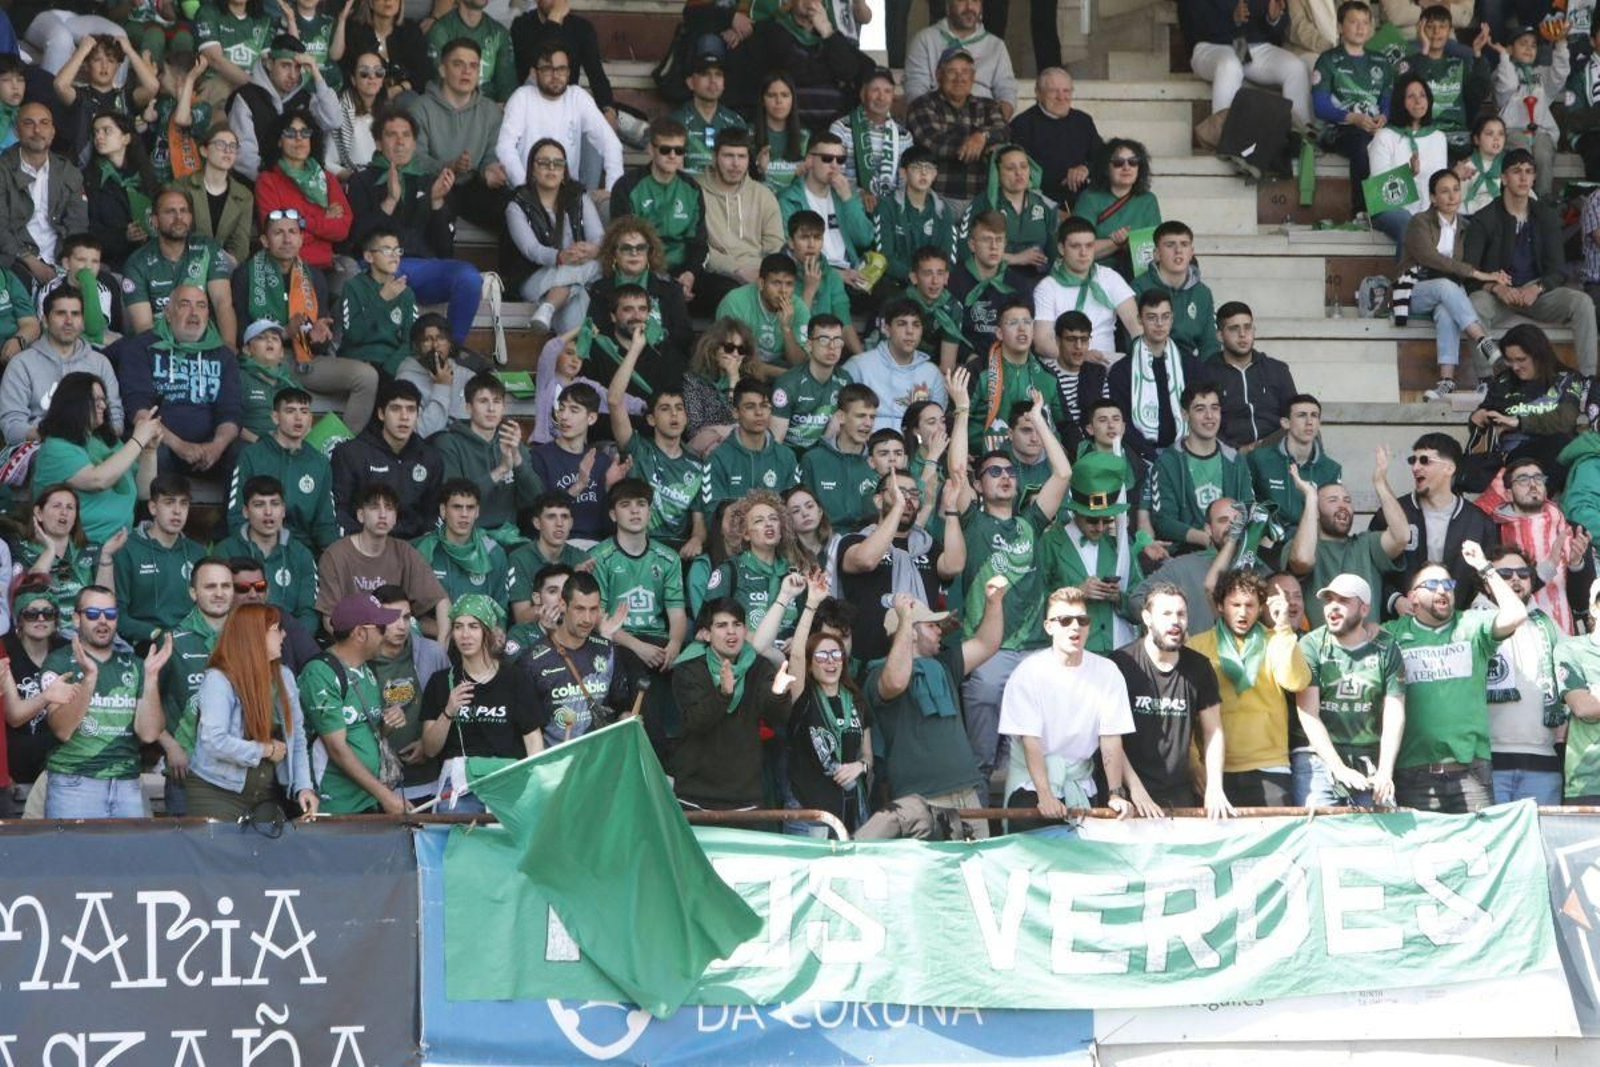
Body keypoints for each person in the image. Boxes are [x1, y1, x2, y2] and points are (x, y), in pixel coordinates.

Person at [948, 377, 1071, 778]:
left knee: (1036, 758)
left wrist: (1038, 419)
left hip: (1035, 648)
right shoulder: (972, 521)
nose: (1004, 476)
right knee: (981, 759)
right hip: (987, 651)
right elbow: (954, 470)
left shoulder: (1030, 523)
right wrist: (964, 409)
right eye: (993, 471)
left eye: (1010, 472)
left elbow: (1063, 473)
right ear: (980, 485)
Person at [1384, 542, 1526, 812]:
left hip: (1471, 772)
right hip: (1412, 775)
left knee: (1479, 853)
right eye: (1432, 585)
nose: (1443, 590)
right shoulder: (1391, 634)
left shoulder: (1472, 625)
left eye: (1448, 585)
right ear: (1412, 597)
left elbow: (1517, 614)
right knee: (1421, 855)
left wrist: (1485, 567)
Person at [1000, 586, 1141, 826]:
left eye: (1082, 620)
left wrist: (1116, 793)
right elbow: (1030, 741)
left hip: (1081, 786)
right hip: (1031, 786)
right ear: (1049, 627)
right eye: (1065, 620)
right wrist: (1045, 795)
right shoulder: (1028, 672)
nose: (1075, 627)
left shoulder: (1107, 671)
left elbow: (1110, 739)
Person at [344, 109, 482, 345]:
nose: (400, 142)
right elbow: (355, 241)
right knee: (385, 275)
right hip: (379, 266)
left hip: (423, 268)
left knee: (469, 277)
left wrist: (437, 203)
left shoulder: (429, 180)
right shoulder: (362, 180)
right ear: (378, 142)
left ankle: (454, 348)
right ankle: (387, 350)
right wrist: (389, 201)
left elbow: (444, 251)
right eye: (391, 135)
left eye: (406, 135)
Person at [1466, 148, 1598, 376]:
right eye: (1516, 172)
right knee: (1474, 305)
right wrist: (1496, 287)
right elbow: (1469, 271)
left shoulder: (1546, 215)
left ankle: (1588, 380)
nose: (1524, 177)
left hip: (1536, 293)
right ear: (1504, 178)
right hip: (1498, 295)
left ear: (1535, 177)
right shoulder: (1484, 218)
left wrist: (1538, 287)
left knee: (1582, 302)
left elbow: (1558, 270)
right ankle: (1487, 381)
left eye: (1529, 171)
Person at [40, 586, 170, 817]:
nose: (103, 621)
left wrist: (150, 678)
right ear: (77, 618)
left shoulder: (136, 664)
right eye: (93, 614)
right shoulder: (59, 662)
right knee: (73, 855)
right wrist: (89, 679)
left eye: (110, 614)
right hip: (73, 783)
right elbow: (62, 730)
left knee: (128, 854)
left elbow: (149, 734)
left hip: (127, 783)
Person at [1186, 570, 1309, 805]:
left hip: (1271, 764)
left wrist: (1284, 627)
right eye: (1236, 605)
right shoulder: (1197, 646)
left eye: (1251, 605)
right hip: (1215, 770)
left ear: (1261, 607)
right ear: (1220, 605)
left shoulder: (1276, 639)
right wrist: (1194, 764)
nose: (1243, 613)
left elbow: (1297, 681)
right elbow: (1187, 713)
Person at [1110, 583, 1230, 814]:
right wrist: (1134, 789)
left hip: (1177, 792)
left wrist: (1215, 787)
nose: (1175, 621)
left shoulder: (1199, 667)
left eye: (1181, 614)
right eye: (1166, 614)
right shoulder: (1120, 664)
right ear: (1147, 618)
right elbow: (1109, 736)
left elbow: (1213, 731)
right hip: (1127, 794)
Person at [419, 595, 540, 810]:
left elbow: (533, 740)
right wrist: (448, 711)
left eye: (474, 626)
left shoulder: (515, 678)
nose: (465, 635)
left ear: (487, 631)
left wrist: (532, 788)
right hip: (459, 786)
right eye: (458, 627)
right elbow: (429, 749)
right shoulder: (440, 681)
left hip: (508, 782)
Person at [1295, 573, 1406, 807]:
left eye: (1343, 601)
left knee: (1383, 831)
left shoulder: (1386, 646)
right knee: (1321, 832)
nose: (1332, 608)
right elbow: (1308, 713)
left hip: (1369, 757)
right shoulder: (1311, 645)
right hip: (1318, 757)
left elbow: (1394, 712)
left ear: (1364, 609)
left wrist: (1385, 771)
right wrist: (1338, 768)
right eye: (1329, 600)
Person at [669, 597, 789, 810]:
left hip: (745, 796)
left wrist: (778, 692)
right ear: (705, 634)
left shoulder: (758, 666)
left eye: (737, 624)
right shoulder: (688, 668)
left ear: (745, 631)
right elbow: (696, 721)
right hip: (695, 795)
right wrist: (723, 693)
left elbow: (776, 716)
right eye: (722, 625)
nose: (731, 632)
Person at [1401, 169, 1507, 399]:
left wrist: (1495, 277)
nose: (1452, 197)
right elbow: (1430, 258)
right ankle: (1484, 341)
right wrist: (1477, 274)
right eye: (1444, 192)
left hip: (1447, 295)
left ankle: (1446, 381)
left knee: (1446, 310)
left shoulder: (1466, 227)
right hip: (1415, 291)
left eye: (1456, 190)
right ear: (1432, 198)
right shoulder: (1419, 222)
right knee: (1444, 286)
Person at [118, 283, 242, 478]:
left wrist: (216, 447)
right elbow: (138, 410)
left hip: (210, 450)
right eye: (184, 304)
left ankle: (236, 510)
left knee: (243, 454)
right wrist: (180, 446)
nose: (194, 313)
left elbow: (231, 412)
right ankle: (151, 508)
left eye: (201, 306)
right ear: (168, 313)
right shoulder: (143, 347)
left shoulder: (224, 355)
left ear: (208, 314)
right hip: (163, 444)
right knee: (151, 449)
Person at [1368, 432, 1500, 613]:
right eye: (1412, 460)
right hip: (1403, 625)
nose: (1415, 467)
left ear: (1449, 468)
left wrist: (1473, 613)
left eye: (1424, 460)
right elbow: (1370, 565)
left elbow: (1490, 575)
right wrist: (1394, 600)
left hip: (1458, 625)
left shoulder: (1479, 522)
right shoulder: (1393, 513)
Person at [300, 592, 406, 814]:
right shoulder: (320, 672)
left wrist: (388, 723)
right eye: (381, 628)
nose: (386, 634)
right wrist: (386, 796)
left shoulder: (366, 669)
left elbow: (366, 733)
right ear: (360, 633)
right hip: (335, 804)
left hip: (368, 800)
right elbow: (337, 749)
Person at [1476, 543, 1565, 803]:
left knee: (1540, 843)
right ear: (1486, 582)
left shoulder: (1548, 624)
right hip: (1487, 763)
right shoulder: (1471, 622)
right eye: (1504, 575)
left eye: (1523, 573)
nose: (1515, 579)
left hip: (1543, 762)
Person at [1286, 448, 1410, 626]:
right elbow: (1302, 560)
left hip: (1368, 649)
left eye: (1347, 500)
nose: (1342, 505)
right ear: (1316, 512)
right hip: (1320, 651)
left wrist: (1380, 483)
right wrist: (1311, 499)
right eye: (1332, 500)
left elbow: (1402, 536)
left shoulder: (1366, 544)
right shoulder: (1299, 546)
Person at [33, 373, 159, 546]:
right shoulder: (56, 446)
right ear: (74, 403)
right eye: (96, 400)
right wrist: (137, 440)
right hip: (79, 548)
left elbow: (145, 491)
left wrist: (149, 450)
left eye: (104, 399)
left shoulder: (108, 441)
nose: (103, 405)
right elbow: (97, 480)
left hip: (122, 543)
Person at [156, 556, 235, 814]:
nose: (220, 593)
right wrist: (170, 745)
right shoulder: (172, 641)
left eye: (226, 586)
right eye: (210, 586)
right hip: (187, 772)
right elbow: (144, 702)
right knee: (186, 853)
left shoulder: (249, 639)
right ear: (193, 592)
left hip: (239, 772)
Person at [496, 41, 622, 195]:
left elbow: (611, 144)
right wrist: (524, 188)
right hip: (527, 193)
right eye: (548, 69)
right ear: (535, 74)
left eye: (561, 69)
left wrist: (612, 191)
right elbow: (504, 148)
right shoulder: (522, 97)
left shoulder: (577, 97)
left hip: (568, 195)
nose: (556, 75)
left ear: (568, 73)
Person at [411, 39, 510, 230]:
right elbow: (415, 160)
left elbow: (492, 153)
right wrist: (449, 166)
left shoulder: (490, 111)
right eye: (458, 64)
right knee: (438, 218)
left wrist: (488, 170)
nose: (467, 71)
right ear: (442, 70)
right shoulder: (420, 108)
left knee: (512, 212)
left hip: (473, 185)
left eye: (473, 66)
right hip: (434, 182)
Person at [0, 289, 120, 447]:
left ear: (83, 321)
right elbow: (11, 426)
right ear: (45, 320)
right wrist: (53, 437)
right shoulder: (21, 364)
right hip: (40, 447)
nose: (69, 321)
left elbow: (116, 418)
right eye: (61, 313)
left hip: (93, 445)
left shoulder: (100, 363)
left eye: (75, 314)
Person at [1148, 383, 1256, 555]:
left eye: (1215, 408)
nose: (1209, 416)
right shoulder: (1168, 462)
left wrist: (1228, 539)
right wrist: (1204, 538)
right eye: (1200, 409)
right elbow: (1163, 521)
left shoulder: (1235, 460)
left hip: (1233, 549)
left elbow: (1248, 508)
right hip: (1186, 554)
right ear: (1185, 414)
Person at [1470, 322, 1585, 480]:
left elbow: (1565, 419)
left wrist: (1518, 422)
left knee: (1561, 441)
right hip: (1515, 455)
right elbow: (1484, 417)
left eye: (1521, 359)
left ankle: (1540, 497)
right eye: (1509, 360)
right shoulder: (1503, 381)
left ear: (1538, 355)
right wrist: (1477, 418)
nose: (1515, 366)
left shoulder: (1566, 378)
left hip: (1557, 451)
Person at [365, 585, 447, 804]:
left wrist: (428, 743)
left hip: (427, 780)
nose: (401, 626)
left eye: (406, 617)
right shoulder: (361, 661)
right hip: (375, 787)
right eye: (391, 619)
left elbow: (449, 709)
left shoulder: (432, 653)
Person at [331, 378, 442, 540]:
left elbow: (432, 516)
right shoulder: (351, 453)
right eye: (396, 409)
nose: (404, 417)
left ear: (418, 414)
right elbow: (339, 511)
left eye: (411, 410)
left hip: (413, 548)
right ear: (381, 413)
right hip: (364, 545)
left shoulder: (430, 458)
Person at [611, 119, 708, 301]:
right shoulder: (627, 186)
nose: (672, 155)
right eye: (665, 149)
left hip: (682, 269)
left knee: (725, 289)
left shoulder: (692, 188)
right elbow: (623, 240)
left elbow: (699, 242)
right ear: (651, 149)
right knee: (671, 294)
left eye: (679, 151)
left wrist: (690, 274)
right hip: (641, 268)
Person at [433, 371, 542, 534]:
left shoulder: (512, 443)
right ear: (468, 407)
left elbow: (537, 500)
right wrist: (501, 470)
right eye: (483, 401)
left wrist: (518, 460)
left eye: (497, 401)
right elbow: (455, 501)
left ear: (503, 407)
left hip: (509, 536)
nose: (491, 408)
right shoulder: (449, 443)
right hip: (466, 536)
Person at [1105, 290, 1208, 461]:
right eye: (1152, 317)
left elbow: (1201, 409)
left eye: (1165, 317)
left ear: (1172, 318)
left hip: (1187, 452)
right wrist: (1151, 457)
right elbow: (1122, 421)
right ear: (1140, 320)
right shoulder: (1122, 370)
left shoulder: (1190, 364)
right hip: (1141, 457)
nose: (1160, 324)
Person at [1313, 1, 1393, 214]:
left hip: (1374, 127)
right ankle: (1362, 211)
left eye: (1365, 22)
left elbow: (1387, 99)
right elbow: (1320, 107)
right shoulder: (1328, 60)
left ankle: (1397, 207)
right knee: (1363, 143)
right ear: (1340, 27)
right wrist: (1354, 118)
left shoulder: (1380, 60)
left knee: (1392, 140)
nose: (1360, 28)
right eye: (1353, 22)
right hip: (1337, 130)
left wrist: (1383, 117)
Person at [226, 36, 341, 183]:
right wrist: (276, 184)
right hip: (258, 186)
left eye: (298, 67)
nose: (293, 75)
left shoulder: (304, 98)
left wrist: (316, 74)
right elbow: (244, 156)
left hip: (302, 184)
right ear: (269, 64)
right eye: (285, 66)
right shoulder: (246, 98)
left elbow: (334, 121)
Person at [214, 473, 320, 632]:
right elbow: (218, 605)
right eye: (259, 504)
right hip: (238, 637)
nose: (268, 512)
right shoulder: (225, 551)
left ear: (283, 510)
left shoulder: (301, 554)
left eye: (275, 504)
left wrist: (286, 640)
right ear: (245, 511)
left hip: (288, 641)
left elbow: (309, 613)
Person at [1, 579, 70, 816]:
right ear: (19, 619)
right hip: (18, 750)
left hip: (55, 749)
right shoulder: (5, 649)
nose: (41, 619)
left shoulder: (67, 650)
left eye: (47, 613)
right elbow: (15, 716)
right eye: (31, 614)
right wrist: (48, 695)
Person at [905, 47, 1008, 207]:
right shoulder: (922, 105)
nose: (959, 78)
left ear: (973, 77)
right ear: (938, 75)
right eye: (952, 71)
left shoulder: (988, 105)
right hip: (935, 198)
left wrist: (982, 136)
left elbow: (1004, 132)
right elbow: (934, 144)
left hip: (983, 199)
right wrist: (979, 144)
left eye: (965, 72)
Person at [1182, 0, 1311, 125]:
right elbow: (1193, 22)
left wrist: (1273, 19)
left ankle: (1300, 138)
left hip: (1250, 47)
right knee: (1230, 67)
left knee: (1296, 68)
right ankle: (1225, 141)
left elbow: (1280, 23)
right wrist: (1232, 19)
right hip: (1210, 46)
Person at [699, 128, 785, 314]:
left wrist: (764, 275)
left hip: (760, 273)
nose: (735, 164)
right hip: (717, 273)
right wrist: (737, 269)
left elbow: (775, 245)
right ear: (715, 157)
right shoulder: (697, 191)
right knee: (731, 293)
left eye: (741, 156)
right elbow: (700, 249)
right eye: (728, 156)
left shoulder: (763, 194)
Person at [254, 114, 354, 272]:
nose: (299, 139)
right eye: (290, 133)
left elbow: (342, 230)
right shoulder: (267, 181)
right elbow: (279, 236)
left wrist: (303, 223)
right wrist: (324, 219)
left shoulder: (326, 178)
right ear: (279, 141)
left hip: (325, 265)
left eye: (305, 133)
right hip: (286, 268)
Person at [0, 105, 86, 287]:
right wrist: (30, 261)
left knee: (104, 282)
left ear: (53, 131)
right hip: (14, 260)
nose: (37, 130)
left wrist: (69, 262)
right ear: (17, 130)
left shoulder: (68, 172)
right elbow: (1, 228)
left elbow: (78, 225)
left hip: (60, 259)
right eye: (29, 123)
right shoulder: (3, 169)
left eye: (44, 123)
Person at [1032, 217, 1138, 364]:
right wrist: (1081, 356)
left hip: (1106, 366)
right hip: (1062, 370)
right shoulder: (1047, 287)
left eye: (1089, 246)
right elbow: (1041, 343)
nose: (1083, 253)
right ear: (1061, 248)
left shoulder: (1109, 277)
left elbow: (1136, 326)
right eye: (1076, 246)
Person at [587, 219, 695, 360]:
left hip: (663, 363)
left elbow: (685, 336)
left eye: (641, 248)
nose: (634, 253)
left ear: (649, 253)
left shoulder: (671, 290)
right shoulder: (600, 289)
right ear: (614, 254)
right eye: (626, 248)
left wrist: (660, 335)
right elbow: (595, 335)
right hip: (615, 363)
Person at [1367, 73, 1450, 245]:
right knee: (1411, 225)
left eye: (1422, 95)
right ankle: (1407, 272)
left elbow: (1439, 184)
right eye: (1411, 97)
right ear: (1400, 102)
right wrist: (1409, 174)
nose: (1418, 101)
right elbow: (1380, 189)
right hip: (1389, 210)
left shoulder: (1438, 137)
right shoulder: (1384, 136)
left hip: (1427, 209)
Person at [1398, 5, 1493, 153]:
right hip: (1422, 132)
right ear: (1420, 29)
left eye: (1442, 27)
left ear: (1449, 32)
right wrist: (1424, 51)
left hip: (1457, 134)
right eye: (1430, 27)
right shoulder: (1408, 63)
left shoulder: (1460, 63)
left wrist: (1477, 54)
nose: (1436, 32)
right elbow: (1409, 94)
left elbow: (1480, 92)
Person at [842, 298, 948, 430]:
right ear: (886, 329)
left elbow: (936, 427)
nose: (910, 331)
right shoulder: (859, 366)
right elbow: (841, 415)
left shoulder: (932, 373)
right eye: (902, 324)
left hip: (914, 448)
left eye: (916, 325)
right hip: (867, 447)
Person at [1008, 68, 1102, 211]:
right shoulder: (1023, 125)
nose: (1061, 97)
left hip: (1082, 202)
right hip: (1038, 204)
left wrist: (1086, 169)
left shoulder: (1083, 121)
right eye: (1054, 91)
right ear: (1038, 93)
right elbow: (1020, 178)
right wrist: (1052, 212)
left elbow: (1103, 159)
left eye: (1066, 91)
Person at [903, 0, 1016, 118]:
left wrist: (992, 129)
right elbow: (916, 91)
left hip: (983, 121)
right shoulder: (925, 39)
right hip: (937, 120)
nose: (969, 7)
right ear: (947, 6)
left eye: (975, 1)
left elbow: (1007, 92)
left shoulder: (996, 46)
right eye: (961, 1)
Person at [1249, 393, 1342, 534]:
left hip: (1311, 545)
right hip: (1269, 545)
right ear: (1285, 423)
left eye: (1314, 415)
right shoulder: (1259, 459)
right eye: (1302, 415)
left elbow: (1331, 517)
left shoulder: (1331, 469)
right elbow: (1245, 504)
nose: (1309, 421)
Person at [1491, 23, 1567, 198]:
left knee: (1543, 153)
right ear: (1511, 47)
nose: (1529, 48)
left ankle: (1543, 199)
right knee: (1522, 154)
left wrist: (1561, 44)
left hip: (1540, 131)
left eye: (1533, 45)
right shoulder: (1502, 73)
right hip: (1512, 131)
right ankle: (1522, 198)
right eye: (1523, 43)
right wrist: (1504, 56)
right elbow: (1508, 86)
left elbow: (1560, 75)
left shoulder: (1542, 74)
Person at [19, 485, 117, 618]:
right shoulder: (21, 550)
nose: (64, 512)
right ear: (39, 513)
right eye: (57, 506)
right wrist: (49, 550)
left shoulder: (92, 549)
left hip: (88, 626)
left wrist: (106, 557)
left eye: (70, 507)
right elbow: (27, 599)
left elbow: (106, 603)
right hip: (46, 626)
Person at [1132, 222, 1219, 364]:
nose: (1178, 250)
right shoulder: (1139, 287)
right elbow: (1134, 340)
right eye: (1170, 245)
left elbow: (1210, 344)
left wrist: (1205, 375)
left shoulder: (1203, 293)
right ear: (1157, 254)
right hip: (1150, 366)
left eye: (1184, 244)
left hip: (1192, 369)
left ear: (1191, 253)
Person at [83, 113, 159, 272]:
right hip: (110, 264)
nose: (99, 136)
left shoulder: (145, 176)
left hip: (150, 259)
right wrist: (123, 236)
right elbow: (87, 227)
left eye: (106, 131)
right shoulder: (88, 179)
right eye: (96, 132)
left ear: (126, 138)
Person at [829, 67, 909, 208]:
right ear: (863, 94)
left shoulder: (903, 135)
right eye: (875, 90)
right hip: (850, 205)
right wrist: (859, 194)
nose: (881, 97)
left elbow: (906, 179)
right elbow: (833, 173)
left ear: (893, 96)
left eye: (887, 91)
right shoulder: (842, 128)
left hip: (892, 211)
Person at [716, 253, 810, 371]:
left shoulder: (800, 309)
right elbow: (730, 358)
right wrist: (782, 375)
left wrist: (786, 329)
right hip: (739, 374)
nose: (783, 291)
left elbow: (799, 363)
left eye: (789, 284)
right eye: (776, 283)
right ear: (761, 283)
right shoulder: (735, 302)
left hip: (781, 371)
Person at [510, 0, 613, 108]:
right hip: (531, 105)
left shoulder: (582, 27)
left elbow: (596, 74)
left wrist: (607, 108)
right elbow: (534, 71)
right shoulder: (521, 26)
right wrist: (554, 21)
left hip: (568, 106)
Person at [179, 126, 255, 268]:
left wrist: (219, 267)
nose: (227, 150)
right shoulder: (182, 187)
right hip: (185, 264)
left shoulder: (244, 195)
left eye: (233, 146)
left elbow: (241, 244)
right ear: (204, 150)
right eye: (220, 144)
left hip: (225, 268)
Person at [671, 50, 749, 178]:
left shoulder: (735, 122)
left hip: (725, 193)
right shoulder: (676, 121)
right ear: (690, 82)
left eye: (718, 74)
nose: (713, 80)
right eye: (705, 74)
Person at [1556, 580, 1600, 803]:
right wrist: (1591, 702)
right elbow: (1582, 707)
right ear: (1594, 607)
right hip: (1588, 783)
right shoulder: (1570, 648)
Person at [424, 0, 515, 102]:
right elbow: (439, 82)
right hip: (452, 109)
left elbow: (507, 87)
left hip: (491, 109)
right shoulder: (440, 30)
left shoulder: (499, 33)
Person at [341, 0, 431, 95]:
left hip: (403, 96)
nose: (388, 1)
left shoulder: (411, 31)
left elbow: (423, 73)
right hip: (363, 96)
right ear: (371, 3)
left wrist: (399, 88)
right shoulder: (355, 31)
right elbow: (348, 71)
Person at [321, 51, 389, 177]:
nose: (372, 77)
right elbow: (327, 163)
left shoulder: (389, 112)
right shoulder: (341, 113)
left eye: (378, 72)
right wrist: (356, 179)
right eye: (364, 73)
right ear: (353, 80)